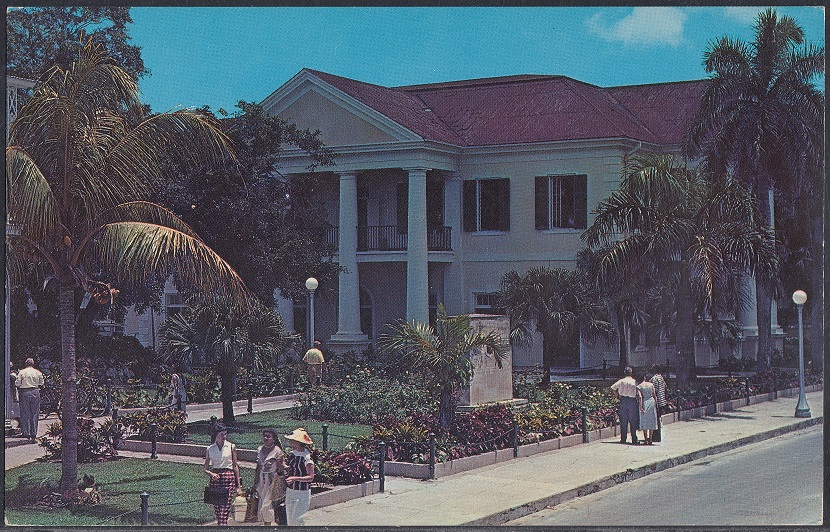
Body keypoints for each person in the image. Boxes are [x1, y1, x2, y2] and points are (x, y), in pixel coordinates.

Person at [204, 424, 241, 526]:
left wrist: (238, 486)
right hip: (215, 480)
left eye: (225, 434)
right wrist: (211, 473)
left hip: (228, 478)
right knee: (218, 510)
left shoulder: (231, 446)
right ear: (216, 435)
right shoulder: (210, 449)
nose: (224, 436)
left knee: (224, 511)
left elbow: (235, 466)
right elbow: (205, 469)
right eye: (222, 434)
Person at [254, 428, 286, 525]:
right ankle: (267, 525)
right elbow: (258, 466)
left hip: (272, 480)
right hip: (262, 480)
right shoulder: (260, 449)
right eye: (264, 436)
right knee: (262, 503)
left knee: (266, 505)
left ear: (273, 439)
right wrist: (255, 481)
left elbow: (281, 468)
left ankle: (269, 525)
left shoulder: (277, 451)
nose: (265, 438)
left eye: (268, 436)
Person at [284, 428, 315, 526]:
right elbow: (291, 468)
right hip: (291, 490)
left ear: (298, 442)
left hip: (302, 492)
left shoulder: (307, 457)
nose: (290, 441)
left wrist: (294, 478)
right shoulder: (293, 454)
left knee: (297, 518)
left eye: (293, 440)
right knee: (290, 518)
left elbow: (310, 477)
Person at [15, 358, 44, 443]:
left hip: (24, 392)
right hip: (35, 391)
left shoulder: (22, 372)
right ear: (33, 364)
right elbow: (41, 383)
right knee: (34, 413)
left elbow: (17, 383)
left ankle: (26, 432)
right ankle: (33, 433)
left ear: (26, 364)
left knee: (25, 412)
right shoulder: (38, 372)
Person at [610, 366, 639, 445]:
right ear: (631, 373)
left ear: (624, 373)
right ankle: (634, 439)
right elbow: (638, 391)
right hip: (632, 400)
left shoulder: (621, 381)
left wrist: (618, 395)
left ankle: (623, 439)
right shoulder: (634, 382)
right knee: (633, 420)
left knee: (623, 420)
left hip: (623, 400)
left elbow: (613, 388)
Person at [637, 373, 659, 445]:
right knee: (652, 419)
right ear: (644, 378)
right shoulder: (651, 385)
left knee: (644, 420)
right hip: (651, 401)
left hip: (644, 402)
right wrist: (656, 403)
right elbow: (654, 395)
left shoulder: (639, 386)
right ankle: (651, 439)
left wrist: (641, 406)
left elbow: (640, 397)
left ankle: (646, 439)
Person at [650, 365, 667, 441]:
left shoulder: (654, 379)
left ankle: (655, 436)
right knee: (658, 418)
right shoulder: (661, 377)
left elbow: (654, 390)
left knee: (655, 419)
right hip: (662, 401)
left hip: (657, 402)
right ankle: (658, 436)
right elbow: (665, 387)